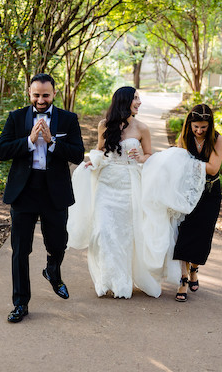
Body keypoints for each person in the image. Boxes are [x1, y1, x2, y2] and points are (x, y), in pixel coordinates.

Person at [0, 73, 85, 323]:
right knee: (20, 250)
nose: (41, 99)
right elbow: (2, 151)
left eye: (46, 95)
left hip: (54, 191)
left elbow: (78, 154)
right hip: (23, 191)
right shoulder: (16, 117)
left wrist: (52, 142)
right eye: (36, 95)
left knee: (58, 244)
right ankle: (20, 303)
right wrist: (29, 140)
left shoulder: (68, 119)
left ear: (54, 94)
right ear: (29, 93)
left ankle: (52, 271)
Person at [67, 86, 158, 298]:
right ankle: (104, 279)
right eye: (135, 98)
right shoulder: (104, 125)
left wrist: (139, 157)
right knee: (102, 232)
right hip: (106, 183)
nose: (139, 102)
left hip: (128, 185)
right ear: (124, 101)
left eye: (139, 98)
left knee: (125, 235)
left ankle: (122, 282)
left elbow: (149, 155)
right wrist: (93, 162)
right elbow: (100, 150)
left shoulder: (142, 128)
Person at [172, 104, 222, 302]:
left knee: (202, 237)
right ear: (190, 124)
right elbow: (177, 163)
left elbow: (212, 169)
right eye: (196, 127)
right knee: (183, 234)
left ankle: (194, 269)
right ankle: (183, 279)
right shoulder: (184, 137)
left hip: (209, 194)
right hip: (187, 192)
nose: (199, 131)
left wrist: (189, 163)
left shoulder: (217, 139)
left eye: (203, 127)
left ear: (210, 125)